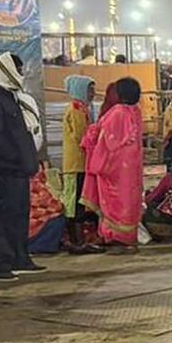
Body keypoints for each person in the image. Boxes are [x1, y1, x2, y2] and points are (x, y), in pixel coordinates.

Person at [0, 52, 43, 281]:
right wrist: (14, 156)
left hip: (18, 169)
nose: (22, 73)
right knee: (4, 218)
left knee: (19, 215)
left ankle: (20, 258)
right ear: (7, 70)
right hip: (5, 170)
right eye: (18, 69)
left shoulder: (10, 97)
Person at [82, 77, 144, 253]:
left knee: (114, 201)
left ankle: (114, 236)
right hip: (131, 167)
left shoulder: (117, 113)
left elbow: (106, 140)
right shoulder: (136, 112)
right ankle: (128, 237)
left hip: (114, 168)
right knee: (129, 200)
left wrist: (90, 138)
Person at [61, 75, 102, 254]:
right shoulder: (77, 110)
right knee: (75, 202)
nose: (93, 93)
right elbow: (82, 137)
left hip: (79, 163)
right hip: (76, 164)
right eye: (90, 90)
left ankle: (78, 241)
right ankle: (77, 242)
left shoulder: (82, 108)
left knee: (77, 202)